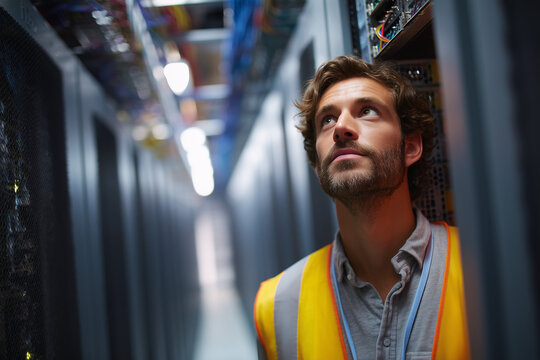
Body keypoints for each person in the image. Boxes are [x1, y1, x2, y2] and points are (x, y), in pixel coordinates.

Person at [253, 55, 470, 360]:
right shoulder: (276, 305)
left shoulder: (483, 264)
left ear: (410, 147)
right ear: (317, 166)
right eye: (327, 120)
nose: (341, 127)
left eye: (367, 111)